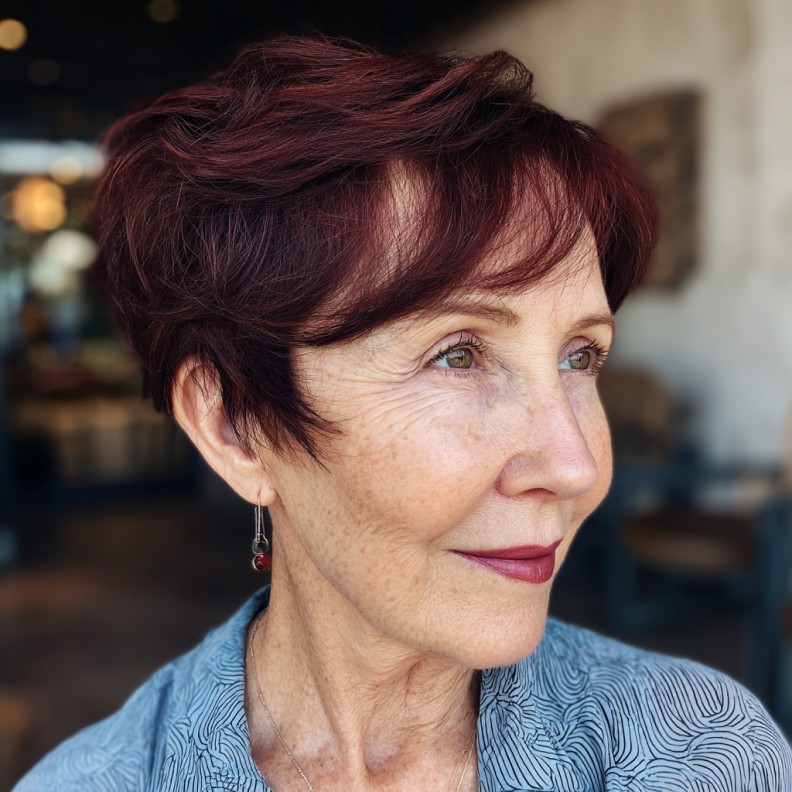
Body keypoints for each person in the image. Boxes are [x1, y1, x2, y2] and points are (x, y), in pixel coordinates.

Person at [15, 35, 791, 792]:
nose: (575, 466)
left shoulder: (707, 753)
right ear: (235, 426)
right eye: (458, 354)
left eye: (581, 355)